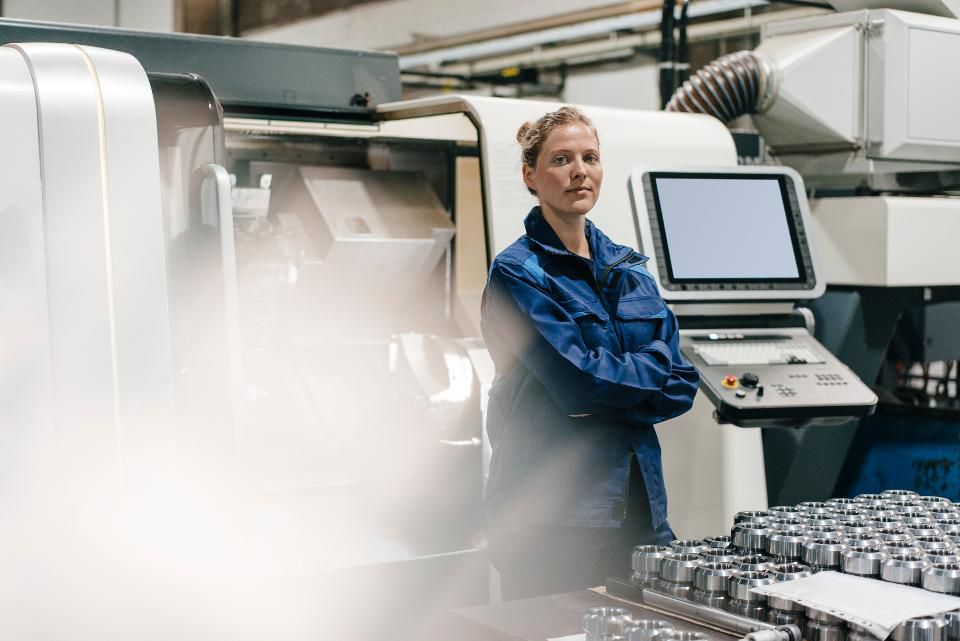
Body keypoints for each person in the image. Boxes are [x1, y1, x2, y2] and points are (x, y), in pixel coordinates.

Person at [480, 106, 700, 600]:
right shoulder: (518, 274)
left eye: (590, 157)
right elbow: (581, 381)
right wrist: (640, 379)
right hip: (552, 519)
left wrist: (608, 392)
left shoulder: (629, 269)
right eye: (561, 159)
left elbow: (683, 382)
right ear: (530, 176)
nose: (580, 171)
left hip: (640, 509)